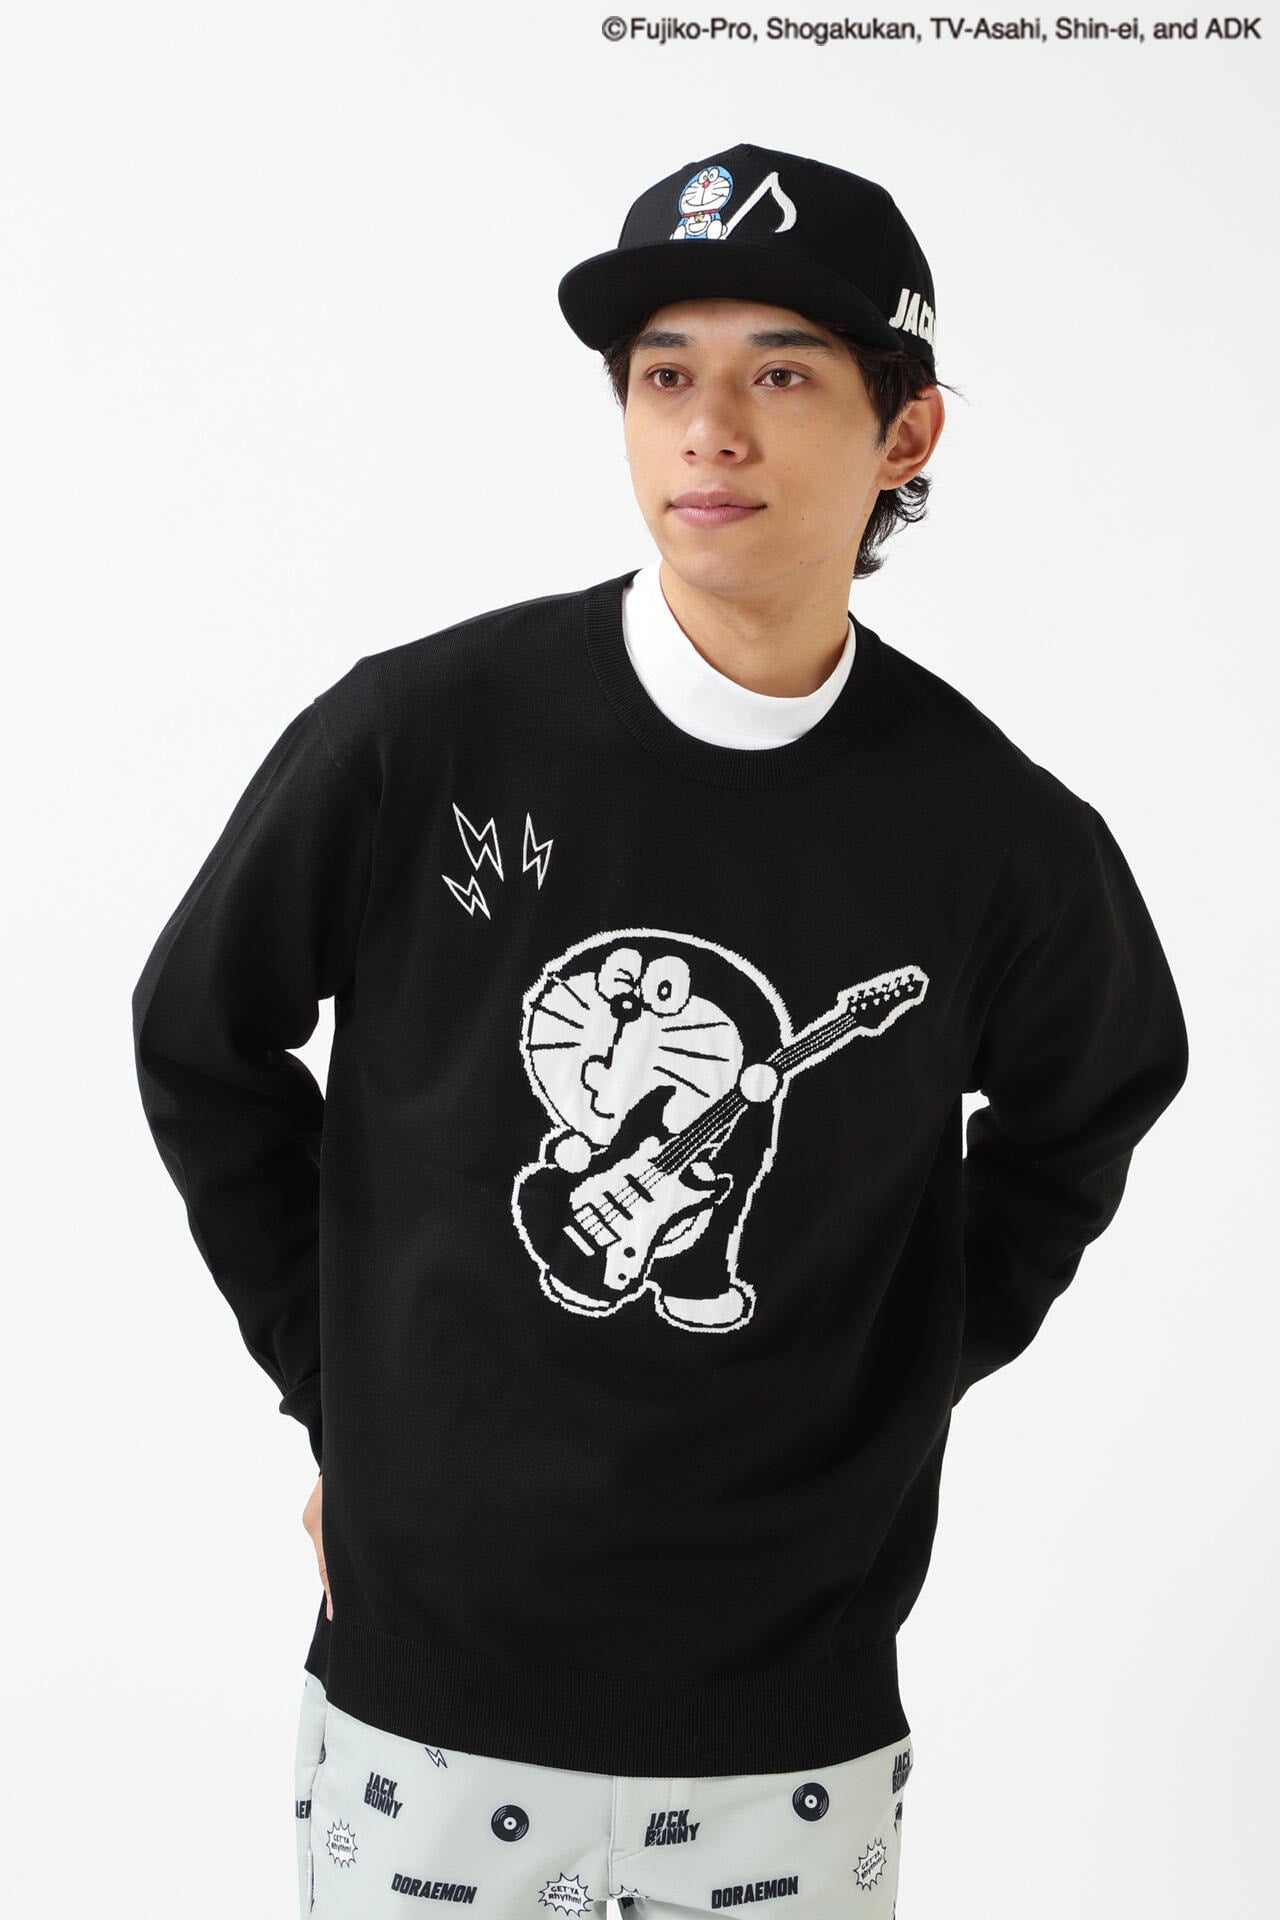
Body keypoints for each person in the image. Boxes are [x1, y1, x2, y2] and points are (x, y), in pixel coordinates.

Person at [130, 141, 1190, 1919]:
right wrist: (344, 1395)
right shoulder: (417, 736)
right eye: (662, 376)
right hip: (429, 1704)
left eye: (783, 376)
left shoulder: (997, 836)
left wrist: (906, 1359)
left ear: (907, 433)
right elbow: (198, 1038)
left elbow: (1094, 1101)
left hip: (788, 1726)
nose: (710, 430)